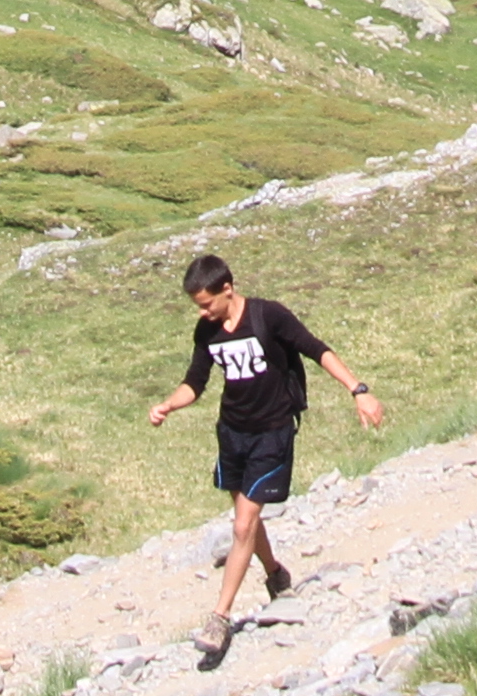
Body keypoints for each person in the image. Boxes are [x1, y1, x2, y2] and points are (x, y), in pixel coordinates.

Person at [145, 252, 380, 669]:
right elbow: (195, 383)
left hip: (272, 432)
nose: (202, 312)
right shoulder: (208, 332)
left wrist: (357, 389)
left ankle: (219, 619)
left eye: (205, 303)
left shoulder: (269, 317)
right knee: (245, 519)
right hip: (232, 433)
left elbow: (316, 349)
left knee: (242, 524)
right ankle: (276, 574)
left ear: (227, 290)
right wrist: (168, 405)